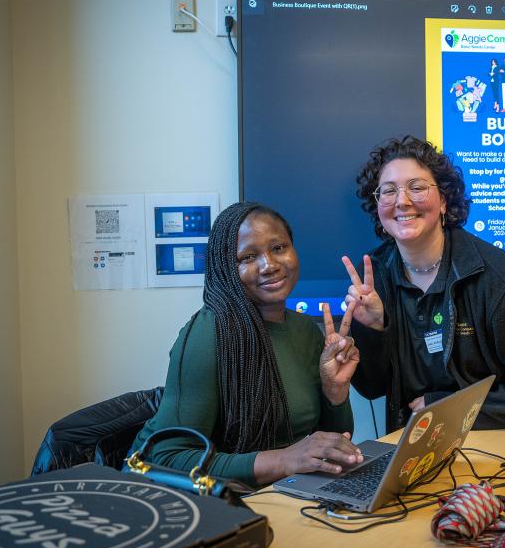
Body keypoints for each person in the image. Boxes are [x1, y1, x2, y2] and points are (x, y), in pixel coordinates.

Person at [341, 136, 505, 436]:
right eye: (388, 191)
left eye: (417, 187)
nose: (402, 201)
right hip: (417, 452)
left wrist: (444, 409)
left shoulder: (502, 280)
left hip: (501, 451)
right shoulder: (374, 276)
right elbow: (372, 388)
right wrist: (372, 330)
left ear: (444, 200)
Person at [131, 202, 363, 486]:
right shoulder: (207, 334)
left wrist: (335, 392)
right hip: (222, 504)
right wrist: (284, 459)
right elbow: (164, 458)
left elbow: (332, 444)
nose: (270, 265)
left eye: (279, 248)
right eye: (248, 257)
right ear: (226, 267)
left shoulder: (305, 330)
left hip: (286, 494)